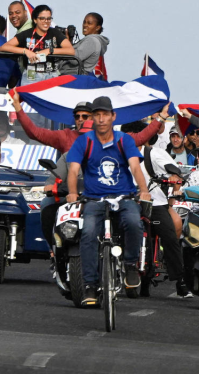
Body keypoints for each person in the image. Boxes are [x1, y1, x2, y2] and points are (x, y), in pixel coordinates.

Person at [65, 96, 152, 306]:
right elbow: (73, 170)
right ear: (93, 118)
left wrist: (143, 191)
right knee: (87, 234)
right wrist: (72, 192)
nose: (101, 119)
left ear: (113, 116)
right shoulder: (84, 141)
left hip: (124, 196)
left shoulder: (124, 140)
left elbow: (135, 167)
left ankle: (131, 265)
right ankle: (90, 286)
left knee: (133, 222)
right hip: (94, 199)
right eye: (97, 115)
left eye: (105, 114)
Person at [123, 120, 187, 297]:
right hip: (127, 203)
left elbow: (172, 169)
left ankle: (180, 279)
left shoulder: (155, 154)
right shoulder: (119, 154)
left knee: (169, 236)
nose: (128, 140)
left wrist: (174, 176)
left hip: (155, 203)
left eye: (132, 136)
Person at [9, 89, 169, 153]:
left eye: (85, 116)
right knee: (46, 208)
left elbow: (140, 138)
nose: (80, 120)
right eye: (77, 116)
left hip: (103, 194)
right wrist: (17, 106)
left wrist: (161, 118)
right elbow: (34, 132)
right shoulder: (65, 135)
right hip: (71, 194)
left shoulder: (112, 137)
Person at [0, 5, 75, 84]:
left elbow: (71, 50)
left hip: (51, 75)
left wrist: (49, 50)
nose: (46, 21)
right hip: (31, 75)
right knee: (27, 98)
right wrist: (25, 51)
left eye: (49, 19)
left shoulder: (55, 33)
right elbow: (5, 46)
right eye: (42, 18)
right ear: (35, 20)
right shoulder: (27, 33)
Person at [68, 12, 109, 77]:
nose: (85, 25)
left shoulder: (92, 41)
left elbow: (74, 59)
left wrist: (64, 44)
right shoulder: (91, 40)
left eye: (89, 23)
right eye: (84, 22)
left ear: (97, 27)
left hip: (75, 76)